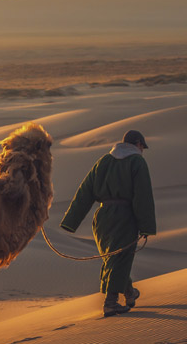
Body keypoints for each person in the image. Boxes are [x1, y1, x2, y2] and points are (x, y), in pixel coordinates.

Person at [60, 129, 157, 317]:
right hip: (124, 215)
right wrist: (146, 226)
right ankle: (111, 303)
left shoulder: (104, 161)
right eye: (142, 146)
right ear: (137, 144)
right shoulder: (137, 162)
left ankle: (129, 293)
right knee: (120, 257)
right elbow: (142, 196)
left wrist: (70, 221)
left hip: (102, 217)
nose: (142, 150)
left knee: (113, 257)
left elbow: (85, 192)